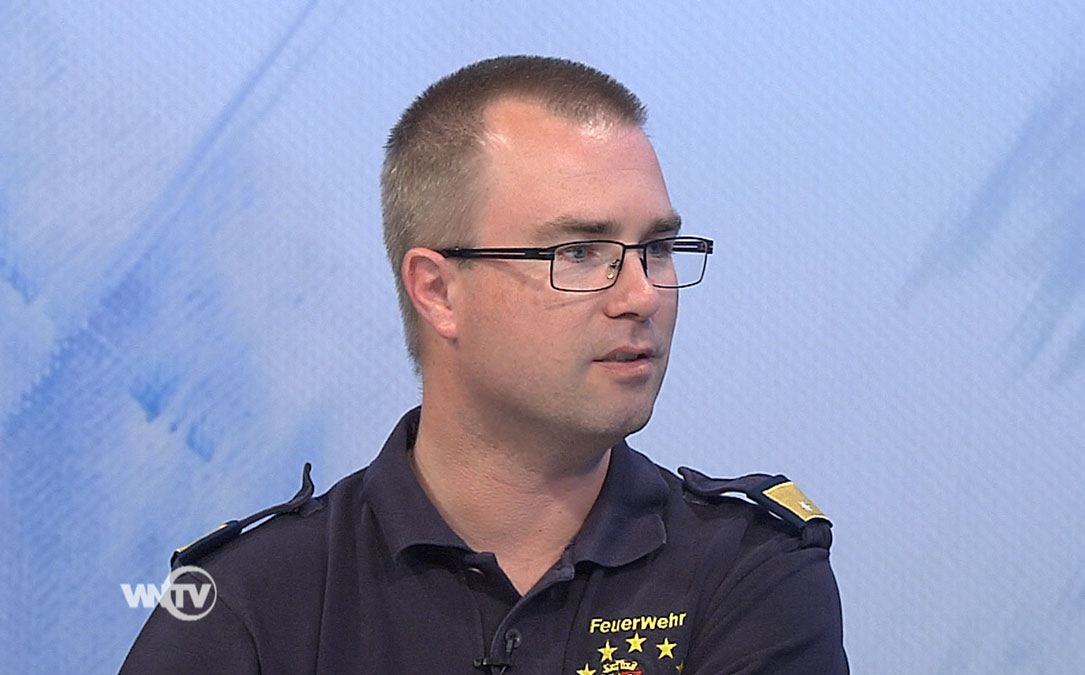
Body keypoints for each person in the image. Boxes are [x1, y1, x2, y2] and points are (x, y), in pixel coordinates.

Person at [120, 55, 849, 674]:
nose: (642, 295)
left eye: (656, 248)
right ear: (438, 291)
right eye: (580, 252)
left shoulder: (750, 574)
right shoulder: (244, 602)